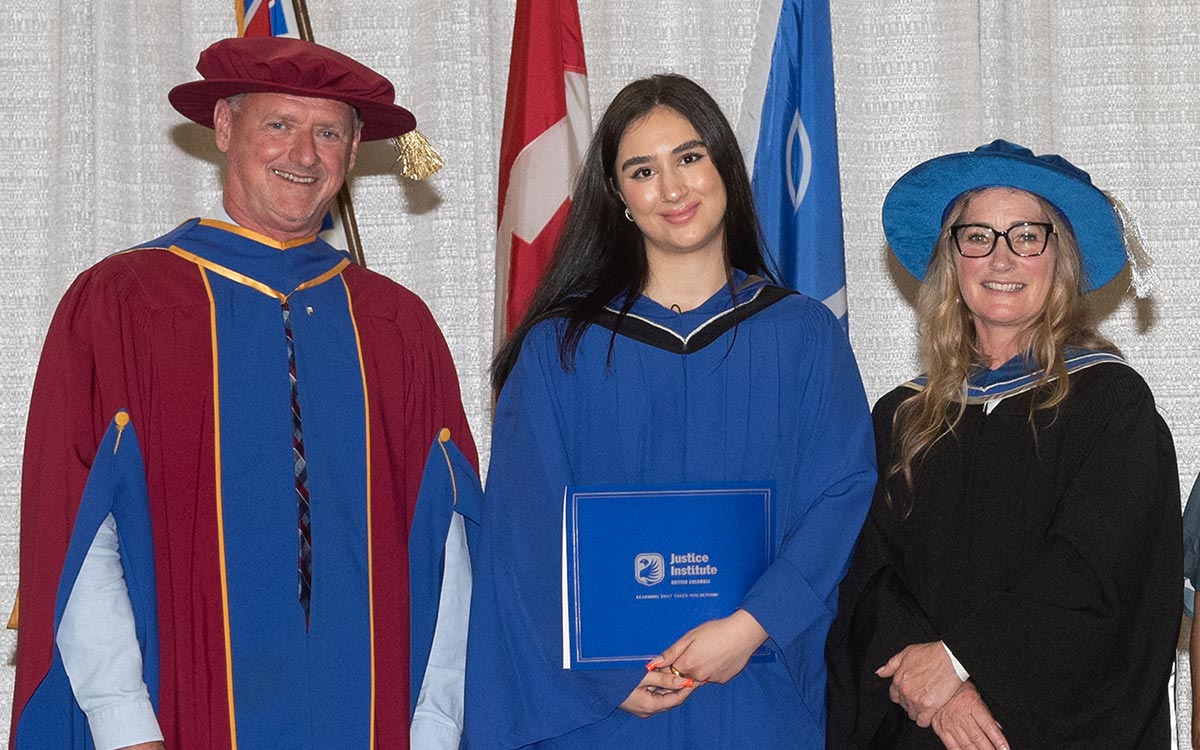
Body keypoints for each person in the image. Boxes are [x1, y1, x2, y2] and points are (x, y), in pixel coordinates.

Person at [9, 37, 477, 750]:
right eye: (278, 124)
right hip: (177, 717)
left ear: (354, 153)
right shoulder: (125, 303)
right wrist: (121, 718)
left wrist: (437, 725)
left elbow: (449, 542)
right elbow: (78, 525)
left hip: (370, 721)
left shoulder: (394, 324)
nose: (304, 153)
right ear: (225, 129)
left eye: (328, 132)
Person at [464, 73, 877, 749]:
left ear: (724, 168)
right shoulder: (559, 350)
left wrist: (751, 626)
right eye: (642, 171)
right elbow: (520, 541)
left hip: (756, 681)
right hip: (601, 705)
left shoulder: (803, 335)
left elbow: (840, 496)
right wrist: (607, 676)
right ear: (619, 199)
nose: (673, 188)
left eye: (689, 157)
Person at [826, 140, 1181, 750]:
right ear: (952, 259)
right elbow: (867, 582)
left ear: (1059, 258)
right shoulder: (900, 418)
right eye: (978, 236)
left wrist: (962, 662)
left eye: (1026, 236)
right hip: (920, 731)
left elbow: (1100, 577)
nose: (1001, 258)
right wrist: (943, 694)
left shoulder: (1111, 407)